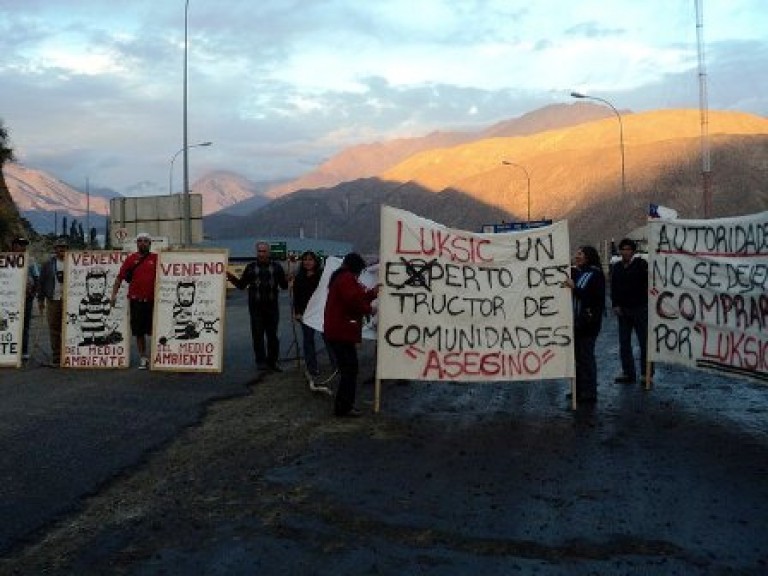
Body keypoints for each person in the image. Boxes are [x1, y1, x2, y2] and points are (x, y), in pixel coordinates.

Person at [323, 252, 379, 417]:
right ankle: (343, 407)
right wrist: (370, 309)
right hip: (341, 331)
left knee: (349, 369)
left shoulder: (342, 277)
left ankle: (344, 405)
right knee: (349, 370)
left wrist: (372, 293)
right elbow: (353, 301)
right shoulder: (347, 278)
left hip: (338, 331)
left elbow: (356, 296)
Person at [227, 241, 289, 373]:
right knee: (258, 335)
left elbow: (284, 286)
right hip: (256, 308)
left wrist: (288, 278)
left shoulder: (277, 267)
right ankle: (261, 362)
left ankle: (272, 362)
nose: (261, 254)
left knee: (272, 336)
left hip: (272, 308)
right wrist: (230, 277)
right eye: (259, 251)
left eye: (264, 251)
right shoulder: (250, 267)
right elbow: (241, 285)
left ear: (269, 252)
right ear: (257, 252)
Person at [110, 232, 158, 369]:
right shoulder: (131, 259)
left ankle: (157, 356)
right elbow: (119, 278)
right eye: (140, 241)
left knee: (155, 329)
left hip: (152, 301)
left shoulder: (156, 258)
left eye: (145, 241)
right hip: (136, 301)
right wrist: (113, 295)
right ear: (137, 243)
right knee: (139, 331)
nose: (142, 243)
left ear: (150, 244)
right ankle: (143, 357)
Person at [564, 245, 605, 403]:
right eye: (577, 253)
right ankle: (578, 389)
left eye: (580, 253)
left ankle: (590, 391)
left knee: (586, 356)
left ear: (588, 256)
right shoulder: (577, 272)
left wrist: (575, 289)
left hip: (588, 323)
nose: (577, 256)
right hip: (575, 322)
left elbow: (595, 298)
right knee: (577, 357)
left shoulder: (595, 274)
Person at [610, 237, 649, 383]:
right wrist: (615, 304)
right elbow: (614, 287)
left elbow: (650, 283)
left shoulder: (641, 264)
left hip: (640, 308)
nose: (625, 252)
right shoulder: (617, 267)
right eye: (623, 249)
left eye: (628, 249)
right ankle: (628, 372)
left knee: (644, 342)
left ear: (633, 251)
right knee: (624, 342)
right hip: (623, 311)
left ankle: (647, 373)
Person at [292, 250, 334, 382]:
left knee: (328, 339)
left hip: (321, 313)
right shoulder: (299, 277)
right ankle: (312, 367)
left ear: (315, 261)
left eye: (310, 259)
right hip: (306, 314)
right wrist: (297, 312)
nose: (307, 262)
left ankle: (336, 364)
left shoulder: (323, 276)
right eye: (305, 259)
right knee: (308, 341)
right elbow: (296, 297)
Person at [38, 237, 68, 367]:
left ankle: (70, 355)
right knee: (54, 329)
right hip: (53, 300)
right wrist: (40, 299)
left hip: (70, 300)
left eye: (64, 247)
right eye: (59, 248)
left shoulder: (73, 262)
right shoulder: (47, 264)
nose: (61, 250)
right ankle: (57, 356)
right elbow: (41, 282)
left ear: (67, 249)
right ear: (55, 250)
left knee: (69, 327)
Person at [11, 236, 39, 361]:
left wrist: (32, 293)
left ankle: (24, 351)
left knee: (25, 324)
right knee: (9, 323)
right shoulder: (6, 258)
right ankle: (9, 350)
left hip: (26, 297)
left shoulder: (31, 260)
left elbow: (36, 277)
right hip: (10, 298)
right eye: (19, 245)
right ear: (13, 246)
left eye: (24, 245)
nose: (22, 247)